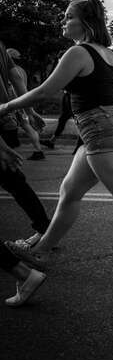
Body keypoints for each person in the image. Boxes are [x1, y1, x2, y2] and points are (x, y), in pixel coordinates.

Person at [0, 0, 113, 288]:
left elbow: (46, 91)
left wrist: (7, 107)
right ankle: (41, 251)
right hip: (110, 125)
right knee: (69, 191)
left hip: (99, 129)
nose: (63, 21)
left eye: (69, 17)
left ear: (85, 23)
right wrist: (104, 104)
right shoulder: (111, 55)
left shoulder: (78, 53)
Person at [0, 41, 51, 247]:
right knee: (13, 181)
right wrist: (30, 111)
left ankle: (44, 230)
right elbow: (16, 78)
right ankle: (44, 228)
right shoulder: (1, 47)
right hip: (6, 117)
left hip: (3, 117)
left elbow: (16, 78)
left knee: (13, 180)